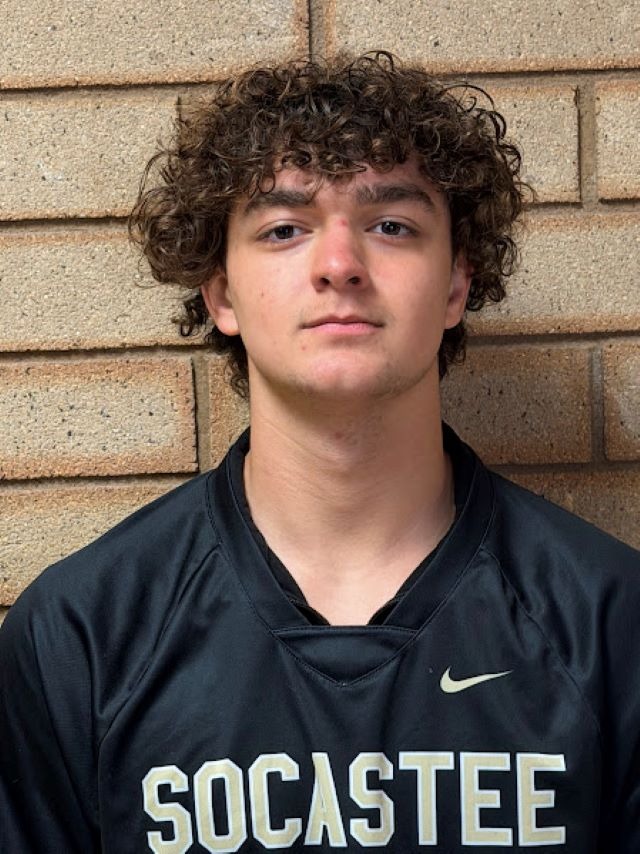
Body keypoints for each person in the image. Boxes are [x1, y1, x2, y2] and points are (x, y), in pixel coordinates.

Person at [1, 52, 639, 853]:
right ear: (221, 294)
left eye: (391, 225)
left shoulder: (612, 623)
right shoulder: (80, 635)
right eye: (284, 229)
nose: (340, 266)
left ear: (454, 285)